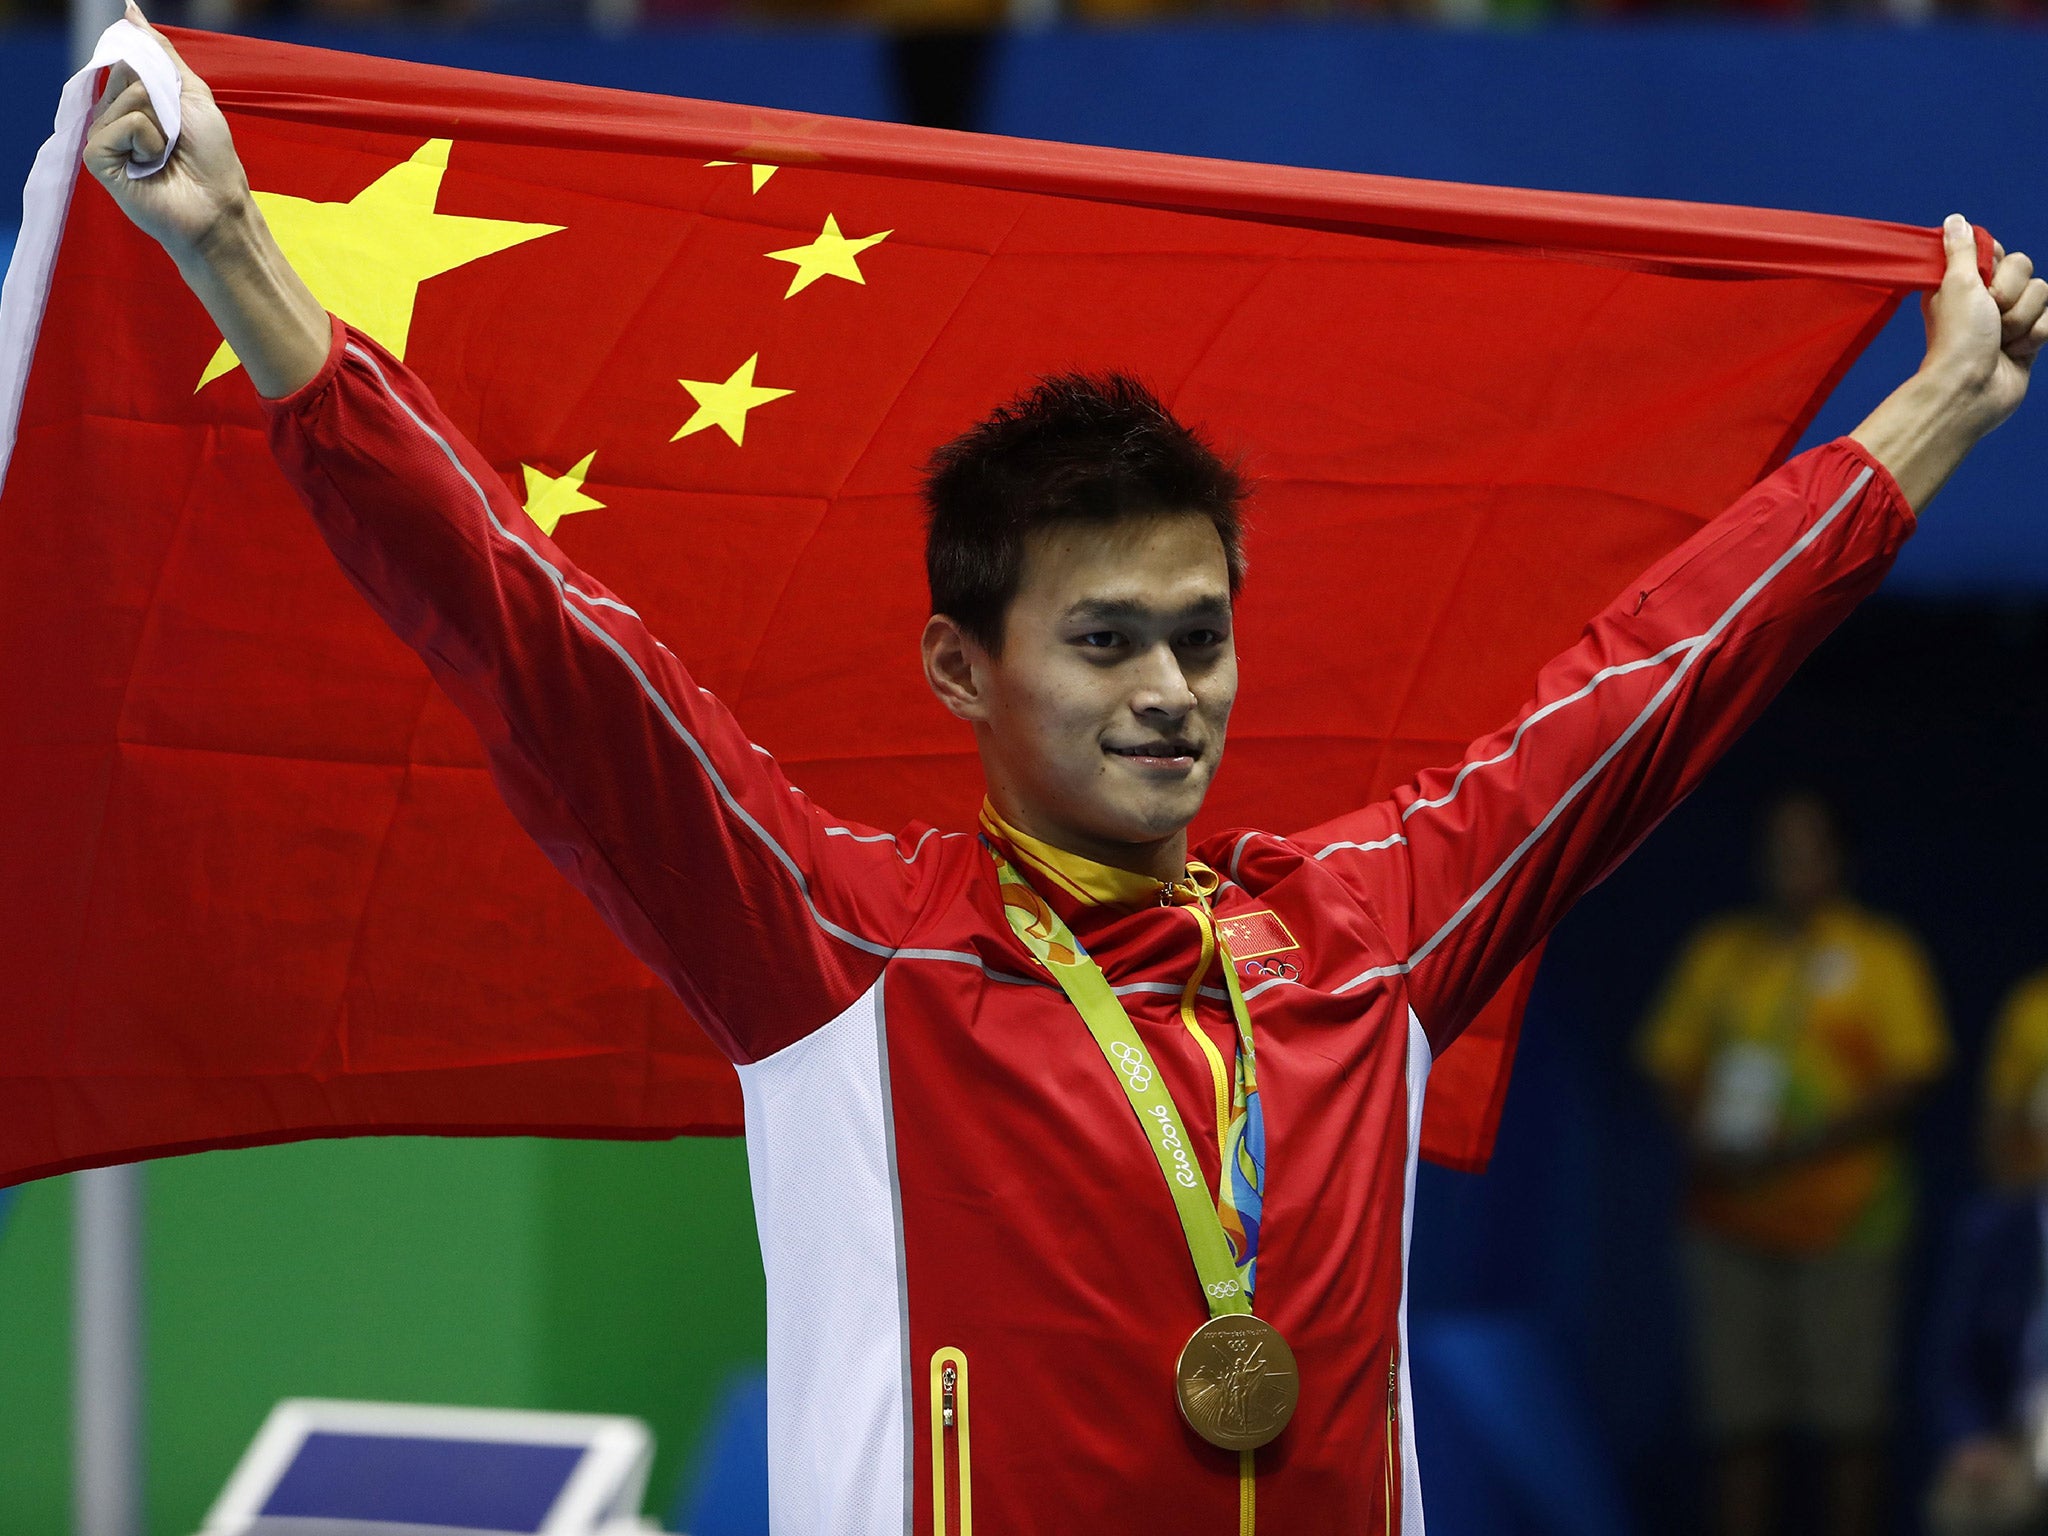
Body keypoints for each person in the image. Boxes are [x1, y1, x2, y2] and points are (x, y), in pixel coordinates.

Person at [81, 11, 2048, 1531]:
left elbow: (1654, 676)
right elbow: (541, 644)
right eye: (1105, 640)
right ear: (963, 664)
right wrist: (247, 262)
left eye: (1200, 633)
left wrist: (1940, 407)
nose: (1171, 690)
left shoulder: (1361, 942)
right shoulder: (852, 954)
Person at [1638, 790, 1949, 1536]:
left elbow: (1913, 1073)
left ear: (1842, 858)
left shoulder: (1881, 955)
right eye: (1778, 845)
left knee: (1850, 1426)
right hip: (1727, 1220)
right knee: (1739, 1428)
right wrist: (1700, 1137)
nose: (1791, 862)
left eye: (1809, 845)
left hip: (1846, 1225)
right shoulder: (1720, 952)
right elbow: (1667, 1060)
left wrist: (1805, 1146)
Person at [1925, 973, 2048, 1536]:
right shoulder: (1997, 1228)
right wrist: (1969, 1438)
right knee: (1966, 1509)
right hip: (2023, 1435)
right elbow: (1954, 1360)